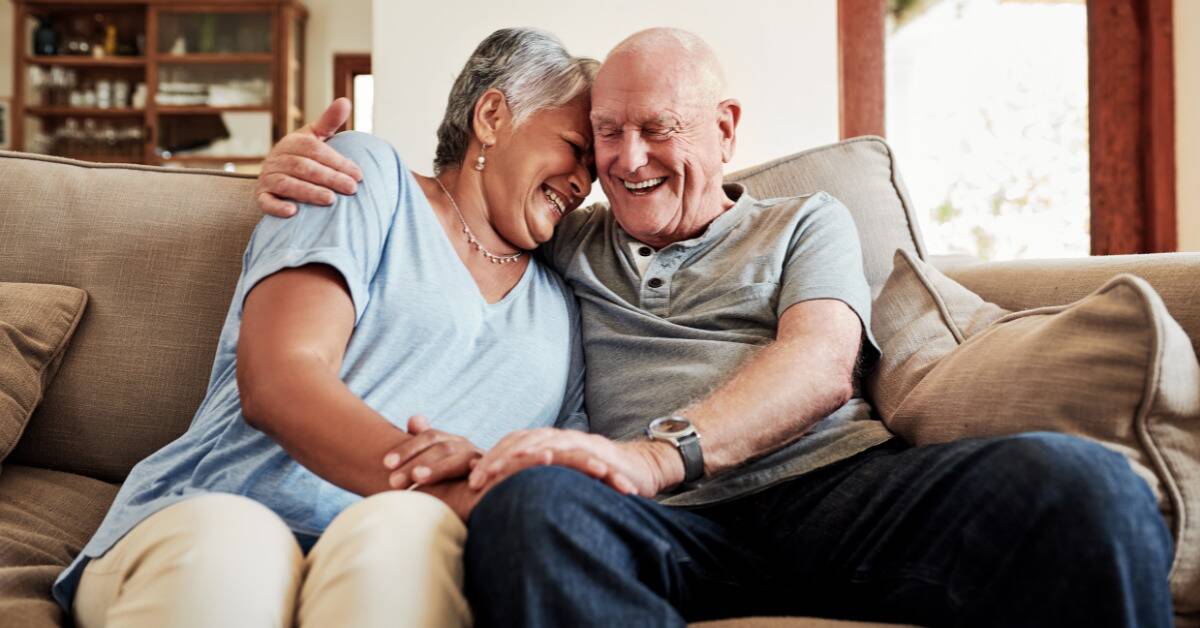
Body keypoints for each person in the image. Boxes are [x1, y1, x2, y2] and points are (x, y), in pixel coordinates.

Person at [257, 27, 1174, 628]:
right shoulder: (563, 237)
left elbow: (819, 363)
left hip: (836, 491)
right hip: (659, 528)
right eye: (604, 136)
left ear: (725, 129)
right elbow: (456, 212)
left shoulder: (804, 220)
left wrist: (659, 454)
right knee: (533, 510)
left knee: (1084, 484)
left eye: (656, 130)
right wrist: (307, 166)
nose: (624, 162)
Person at [53, 28, 604, 628]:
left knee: (404, 535)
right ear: (493, 115)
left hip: (404, 541)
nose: (584, 181)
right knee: (238, 544)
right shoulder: (366, 176)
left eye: (594, 170)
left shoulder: (565, 304)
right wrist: (445, 482)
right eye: (575, 147)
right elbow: (280, 380)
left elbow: (556, 481)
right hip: (216, 511)